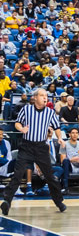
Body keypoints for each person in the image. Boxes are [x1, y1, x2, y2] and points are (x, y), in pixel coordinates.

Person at [1, 88, 66, 216]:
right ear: (35, 97)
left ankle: (59, 202)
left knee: (50, 176)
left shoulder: (50, 112)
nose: (45, 97)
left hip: (41, 147)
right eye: (42, 95)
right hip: (27, 146)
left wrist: (59, 138)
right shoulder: (26, 109)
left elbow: (57, 127)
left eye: (46, 95)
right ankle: (6, 202)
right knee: (18, 174)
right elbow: (17, 123)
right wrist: (22, 129)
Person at [60, 127, 79, 194]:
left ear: (78, 134)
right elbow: (62, 160)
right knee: (66, 161)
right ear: (69, 134)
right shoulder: (64, 144)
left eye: (76, 133)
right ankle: (65, 187)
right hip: (69, 165)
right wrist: (72, 160)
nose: (75, 135)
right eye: (73, 133)